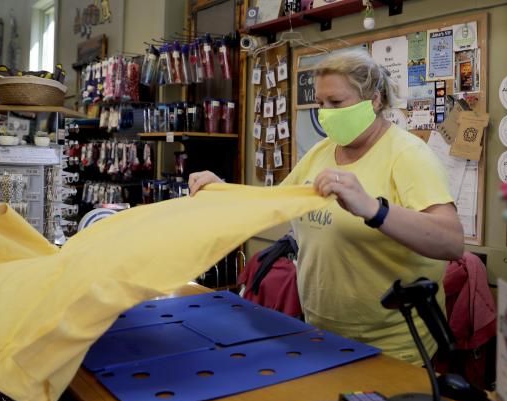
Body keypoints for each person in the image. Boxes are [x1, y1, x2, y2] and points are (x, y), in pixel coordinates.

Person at [190, 51, 464, 365]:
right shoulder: (321, 153)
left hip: (392, 348)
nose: (325, 113)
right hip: (321, 333)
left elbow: (452, 242)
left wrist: (375, 210)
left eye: (336, 103)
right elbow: (274, 207)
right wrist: (220, 189)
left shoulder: (408, 155)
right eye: (320, 103)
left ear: (373, 100)